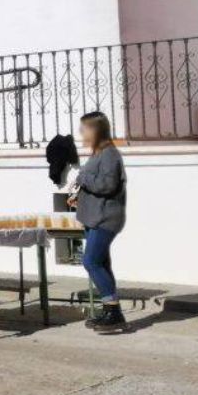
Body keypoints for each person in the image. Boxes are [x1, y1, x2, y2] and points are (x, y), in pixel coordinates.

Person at [70, 111, 127, 334]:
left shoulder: (110, 154)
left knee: (91, 261)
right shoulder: (98, 154)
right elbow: (97, 185)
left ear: (95, 130)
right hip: (94, 216)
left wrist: (83, 178)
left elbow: (107, 185)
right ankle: (110, 311)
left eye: (84, 129)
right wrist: (79, 194)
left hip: (105, 217)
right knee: (101, 263)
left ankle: (113, 311)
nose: (81, 133)